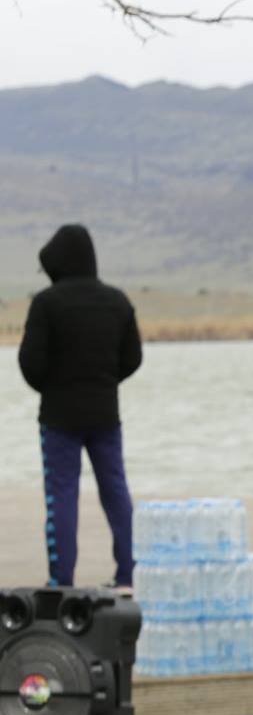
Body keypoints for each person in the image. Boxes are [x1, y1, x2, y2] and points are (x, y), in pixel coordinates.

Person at [17, 224, 142, 590]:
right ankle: (129, 571)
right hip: (105, 414)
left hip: (59, 418)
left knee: (62, 496)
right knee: (115, 490)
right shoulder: (117, 302)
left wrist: (53, 387)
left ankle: (62, 580)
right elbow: (133, 358)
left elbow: (30, 363)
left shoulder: (46, 304)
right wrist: (104, 382)